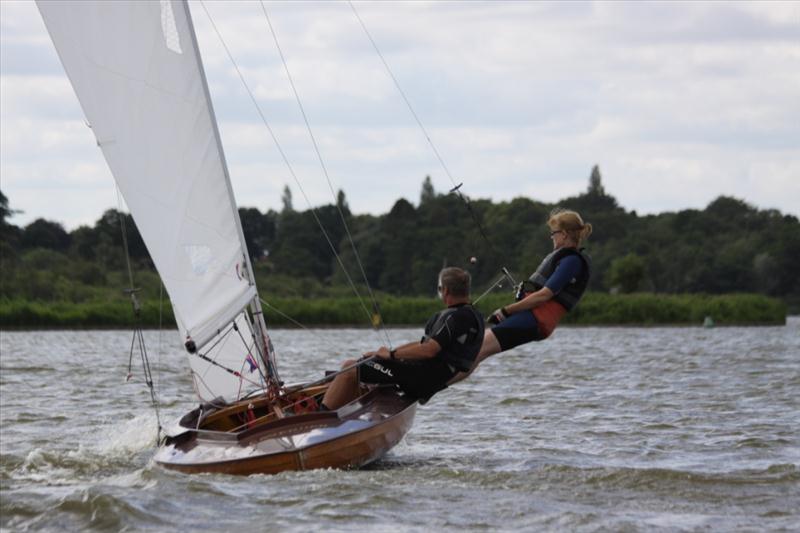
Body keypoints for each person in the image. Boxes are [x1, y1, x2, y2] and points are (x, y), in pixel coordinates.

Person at [450, 209, 592, 385]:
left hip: (537, 320)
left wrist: (506, 310)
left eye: (553, 233)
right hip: (532, 317)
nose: (551, 237)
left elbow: (544, 295)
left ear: (563, 234)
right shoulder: (565, 258)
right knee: (477, 349)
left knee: (478, 349)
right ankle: (432, 387)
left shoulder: (572, 261)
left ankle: (430, 387)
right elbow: (540, 292)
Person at [321, 267, 484, 410]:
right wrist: (388, 354)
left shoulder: (456, 318)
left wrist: (391, 356)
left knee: (350, 367)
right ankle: (342, 409)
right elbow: (424, 345)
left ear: (445, 290)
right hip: (429, 376)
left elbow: (429, 350)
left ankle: (320, 417)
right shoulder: (474, 316)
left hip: (422, 378)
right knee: (366, 362)